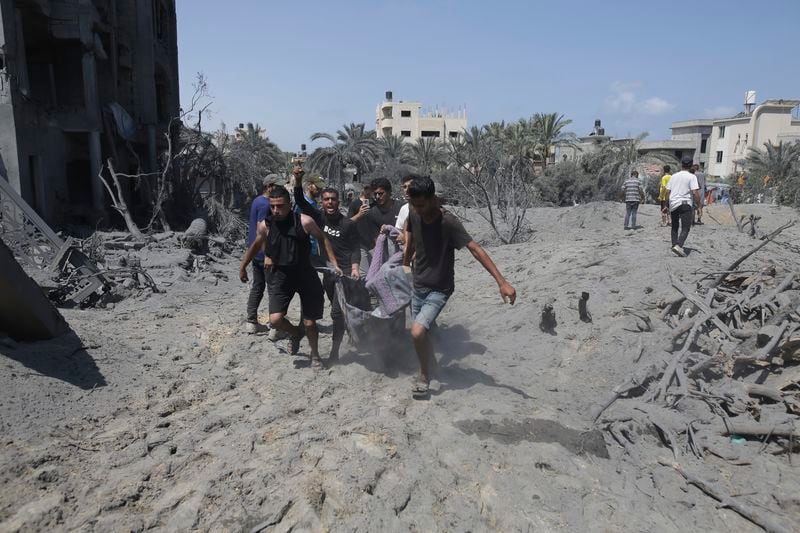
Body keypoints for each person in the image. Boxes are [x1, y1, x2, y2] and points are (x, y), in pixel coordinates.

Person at [402, 176, 516, 399]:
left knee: (416, 332)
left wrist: (502, 282)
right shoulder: (414, 213)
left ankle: (424, 376)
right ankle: (432, 365)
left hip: (440, 288)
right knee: (426, 332)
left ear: (434, 199)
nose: (418, 210)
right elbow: (410, 233)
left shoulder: (449, 222)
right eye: (414, 205)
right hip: (418, 284)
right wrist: (406, 262)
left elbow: (475, 249)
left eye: (422, 205)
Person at [239, 187, 342, 368]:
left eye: (280, 206)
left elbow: (322, 238)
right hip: (281, 276)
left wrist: (333, 262)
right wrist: (243, 266)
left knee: (310, 323)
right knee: (275, 320)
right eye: (273, 206)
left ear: (290, 205)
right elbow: (256, 244)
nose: (276, 210)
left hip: (305, 274)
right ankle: (295, 333)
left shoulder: (305, 221)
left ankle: (315, 355)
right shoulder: (266, 225)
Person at [294, 170, 361, 361]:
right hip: (328, 275)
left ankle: (334, 352)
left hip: (345, 274)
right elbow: (299, 201)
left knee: (335, 314)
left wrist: (355, 267)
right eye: (326, 199)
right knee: (337, 309)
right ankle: (351, 331)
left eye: (333, 199)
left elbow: (356, 248)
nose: (330, 202)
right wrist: (298, 180)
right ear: (321, 202)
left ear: (338, 202)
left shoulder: (347, 224)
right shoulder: (319, 218)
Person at [245, 174, 282, 334]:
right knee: (274, 290)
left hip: (256, 252)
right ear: (269, 186)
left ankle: (251, 321)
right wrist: (269, 254)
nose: (280, 189)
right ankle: (275, 327)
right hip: (266, 254)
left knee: (257, 287)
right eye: (277, 186)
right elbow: (263, 228)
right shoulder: (267, 205)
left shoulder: (257, 200)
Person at [666, 157, 701, 257]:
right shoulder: (692, 177)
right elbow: (695, 193)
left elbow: (668, 191)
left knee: (675, 226)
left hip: (673, 203)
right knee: (686, 227)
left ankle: (674, 245)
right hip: (685, 203)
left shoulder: (673, 176)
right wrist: (699, 206)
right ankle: (679, 245)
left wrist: (667, 204)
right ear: (691, 165)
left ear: (681, 164)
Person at [348, 183, 376, 275]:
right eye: (366, 188)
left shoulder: (376, 204)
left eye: (370, 188)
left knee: (375, 271)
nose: (368, 190)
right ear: (362, 189)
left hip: (374, 243)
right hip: (360, 243)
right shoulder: (355, 204)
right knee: (364, 273)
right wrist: (359, 214)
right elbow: (348, 223)